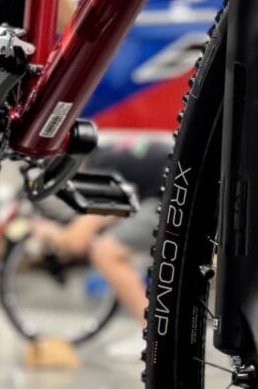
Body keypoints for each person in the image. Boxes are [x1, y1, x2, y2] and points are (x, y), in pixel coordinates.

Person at [27, 137, 171, 331]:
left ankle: (152, 334)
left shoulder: (97, 170)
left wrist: (48, 233)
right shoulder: (108, 156)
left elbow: (77, 242)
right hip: (176, 184)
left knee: (106, 253)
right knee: (120, 245)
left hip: (170, 195)